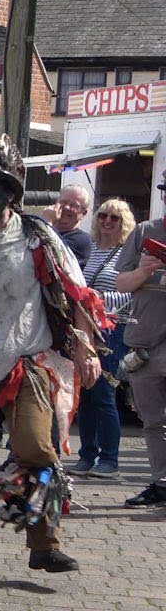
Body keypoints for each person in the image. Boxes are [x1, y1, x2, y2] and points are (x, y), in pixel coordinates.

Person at [0, 134, 105, 576]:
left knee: (37, 448)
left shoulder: (38, 236)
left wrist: (86, 348)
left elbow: (77, 295)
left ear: (11, 190)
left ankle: (44, 545)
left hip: (24, 363)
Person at [72, 198, 134, 478]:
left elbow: (131, 295)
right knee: (86, 392)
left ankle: (109, 458)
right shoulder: (91, 248)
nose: (107, 221)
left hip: (112, 328)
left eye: (114, 218)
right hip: (85, 328)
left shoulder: (128, 254)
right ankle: (87, 454)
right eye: (102, 216)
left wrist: (95, 299)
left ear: (124, 223)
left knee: (105, 394)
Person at [116, 176, 166, 507]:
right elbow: (121, 283)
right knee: (153, 421)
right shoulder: (145, 232)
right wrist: (145, 271)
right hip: (145, 345)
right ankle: (161, 482)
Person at [44, 184, 94, 267]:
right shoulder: (48, 229)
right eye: (63, 202)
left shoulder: (82, 240)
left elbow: (48, 256)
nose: (67, 207)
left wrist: (47, 221)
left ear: (83, 214)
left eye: (74, 205)